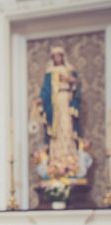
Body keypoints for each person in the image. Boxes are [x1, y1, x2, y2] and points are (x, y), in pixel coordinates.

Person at [39, 46, 81, 177]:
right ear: (52, 58)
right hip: (55, 104)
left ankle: (69, 159)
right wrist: (41, 101)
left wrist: (72, 82)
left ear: (63, 57)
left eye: (60, 55)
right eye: (55, 56)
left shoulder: (69, 70)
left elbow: (77, 88)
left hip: (66, 101)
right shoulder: (49, 73)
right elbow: (45, 91)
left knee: (67, 127)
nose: (57, 58)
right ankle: (56, 160)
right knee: (56, 132)